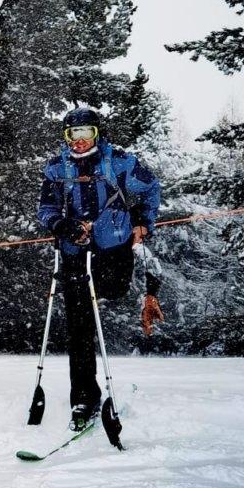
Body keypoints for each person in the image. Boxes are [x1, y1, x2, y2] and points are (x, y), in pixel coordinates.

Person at [37, 107, 161, 431]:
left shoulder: (118, 161)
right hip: (76, 252)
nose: (79, 142)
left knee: (115, 290)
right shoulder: (55, 168)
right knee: (79, 327)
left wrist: (143, 223)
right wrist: (61, 224)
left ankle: (99, 299)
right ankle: (84, 397)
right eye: (72, 135)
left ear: (96, 133)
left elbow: (151, 186)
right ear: (66, 138)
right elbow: (46, 208)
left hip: (114, 246)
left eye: (85, 134)